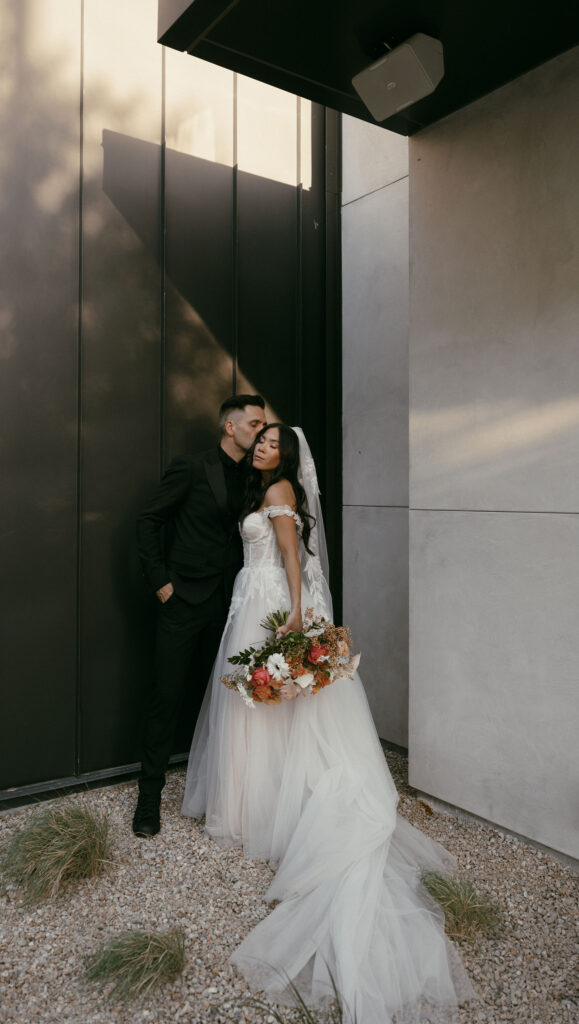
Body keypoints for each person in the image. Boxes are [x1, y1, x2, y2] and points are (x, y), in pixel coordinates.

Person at [182, 424, 475, 1024]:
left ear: (285, 456)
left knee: (262, 702)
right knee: (255, 705)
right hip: (251, 595)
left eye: (270, 442)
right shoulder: (261, 488)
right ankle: (252, 800)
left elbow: (291, 555)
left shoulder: (279, 491)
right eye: (258, 440)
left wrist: (293, 617)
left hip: (271, 602)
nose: (263, 447)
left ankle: (261, 804)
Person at [133, 395, 266, 837]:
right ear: (230, 427)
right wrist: (161, 583)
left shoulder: (257, 476)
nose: (259, 430)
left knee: (229, 701)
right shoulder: (191, 467)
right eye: (253, 423)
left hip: (233, 605)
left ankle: (222, 798)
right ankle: (148, 801)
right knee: (164, 698)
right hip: (184, 599)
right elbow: (149, 519)